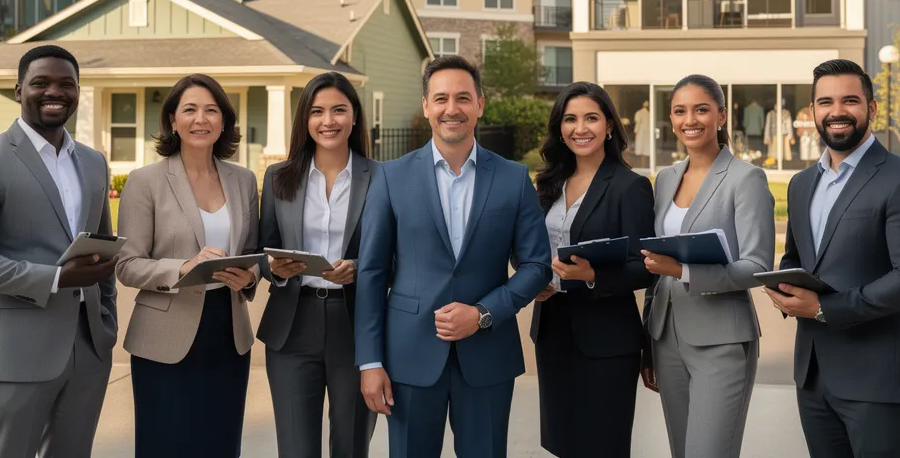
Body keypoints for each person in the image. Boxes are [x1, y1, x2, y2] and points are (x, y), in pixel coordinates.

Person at [355, 55, 550, 458]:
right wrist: (369, 361)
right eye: (440, 98)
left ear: (480, 104)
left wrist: (482, 314)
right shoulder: (390, 178)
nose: (451, 108)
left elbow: (536, 265)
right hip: (408, 357)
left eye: (463, 98)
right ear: (426, 106)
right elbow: (372, 274)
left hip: (488, 356)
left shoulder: (513, 177)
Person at [0, 44, 117, 458]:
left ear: (78, 91)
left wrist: (106, 322)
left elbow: (103, 249)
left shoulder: (92, 162)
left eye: (66, 84)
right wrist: (55, 278)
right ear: (18, 90)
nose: (54, 92)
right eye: (40, 83)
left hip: (88, 349)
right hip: (15, 352)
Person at [765, 59, 900, 458]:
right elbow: (798, 255)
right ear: (812, 112)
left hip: (881, 378)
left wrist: (825, 308)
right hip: (814, 376)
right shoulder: (801, 184)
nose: (837, 111)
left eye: (850, 100)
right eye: (825, 102)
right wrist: (781, 283)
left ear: (872, 108)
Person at [115, 74, 259, 457]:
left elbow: (253, 253)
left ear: (224, 121)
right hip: (164, 336)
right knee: (166, 443)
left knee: (221, 443)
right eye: (190, 109)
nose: (201, 119)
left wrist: (249, 276)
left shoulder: (243, 181)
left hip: (229, 334)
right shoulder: (145, 181)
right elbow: (127, 265)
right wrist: (183, 267)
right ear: (172, 121)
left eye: (211, 110)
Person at [641, 74, 776, 458]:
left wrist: (682, 271)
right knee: (681, 450)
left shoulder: (746, 178)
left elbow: (756, 266)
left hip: (722, 339)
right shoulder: (665, 179)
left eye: (701, 109)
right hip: (666, 337)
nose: (690, 120)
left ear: (721, 115)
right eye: (680, 111)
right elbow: (657, 260)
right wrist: (648, 343)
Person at [531, 82, 655, 457]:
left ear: (610, 126)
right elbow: (534, 250)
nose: (580, 128)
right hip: (553, 333)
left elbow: (645, 268)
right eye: (570, 119)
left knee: (603, 445)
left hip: (606, 342)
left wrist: (591, 277)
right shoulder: (549, 183)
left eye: (591, 118)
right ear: (559, 128)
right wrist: (533, 278)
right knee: (563, 443)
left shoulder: (630, 187)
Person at [258, 72, 378, 458]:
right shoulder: (279, 178)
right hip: (292, 326)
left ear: (354, 117)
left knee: (351, 445)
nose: (328, 121)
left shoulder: (380, 178)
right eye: (317, 111)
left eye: (339, 110)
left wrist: (358, 267)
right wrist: (274, 269)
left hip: (355, 325)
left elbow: (394, 254)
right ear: (304, 120)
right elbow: (264, 251)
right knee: (295, 448)